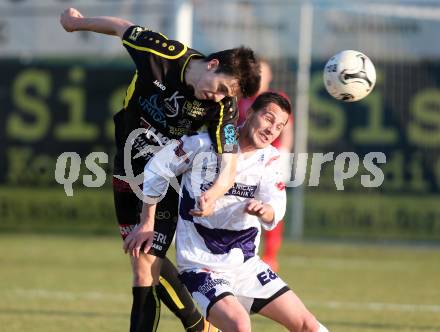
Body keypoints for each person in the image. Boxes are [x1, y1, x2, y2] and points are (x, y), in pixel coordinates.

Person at [60, 7, 261, 332]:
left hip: (169, 178)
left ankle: (196, 325)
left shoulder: (223, 107)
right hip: (127, 165)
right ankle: (199, 326)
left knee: (144, 265)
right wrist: (76, 24)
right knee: (142, 258)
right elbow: (122, 27)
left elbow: (229, 160)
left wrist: (214, 193)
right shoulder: (163, 54)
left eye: (228, 95)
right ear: (212, 64)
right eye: (222, 87)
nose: (220, 96)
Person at [138, 92, 328, 332]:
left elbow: (275, 209)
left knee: (308, 325)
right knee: (239, 325)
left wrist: (265, 210)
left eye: (279, 126)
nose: (272, 129)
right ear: (249, 113)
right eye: (268, 119)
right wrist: (147, 222)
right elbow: (157, 168)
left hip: (246, 265)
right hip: (202, 265)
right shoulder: (202, 144)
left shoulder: (270, 160)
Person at [238, 59, 294, 272]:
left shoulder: (276, 101)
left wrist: (284, 155)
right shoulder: (240, 98)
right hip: (246, 161)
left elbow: (287, 129)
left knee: (272, 204)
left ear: (269, 77)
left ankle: (270, 255)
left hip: (271, 161)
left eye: (264, 74)